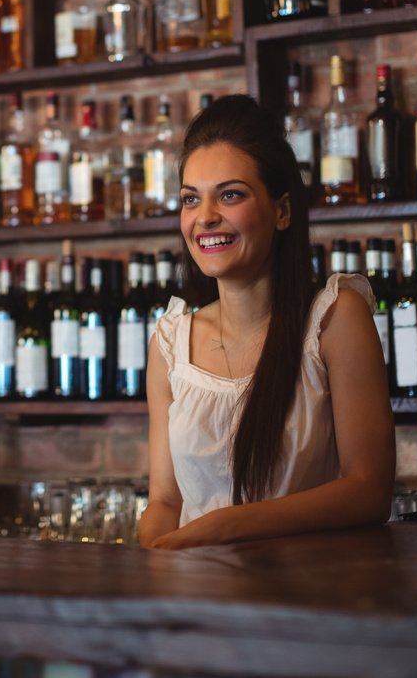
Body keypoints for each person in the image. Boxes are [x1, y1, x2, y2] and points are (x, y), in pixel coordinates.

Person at [137, 95, 394, 549]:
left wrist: (226, 526)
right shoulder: (170, 343)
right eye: (190, 199)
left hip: (305, 598)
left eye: (230, 194)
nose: (205, 217)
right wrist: (156, 558)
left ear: (282, 211)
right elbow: (163, 502)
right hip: (198, 604)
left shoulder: (334, 319)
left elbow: (369, 491)